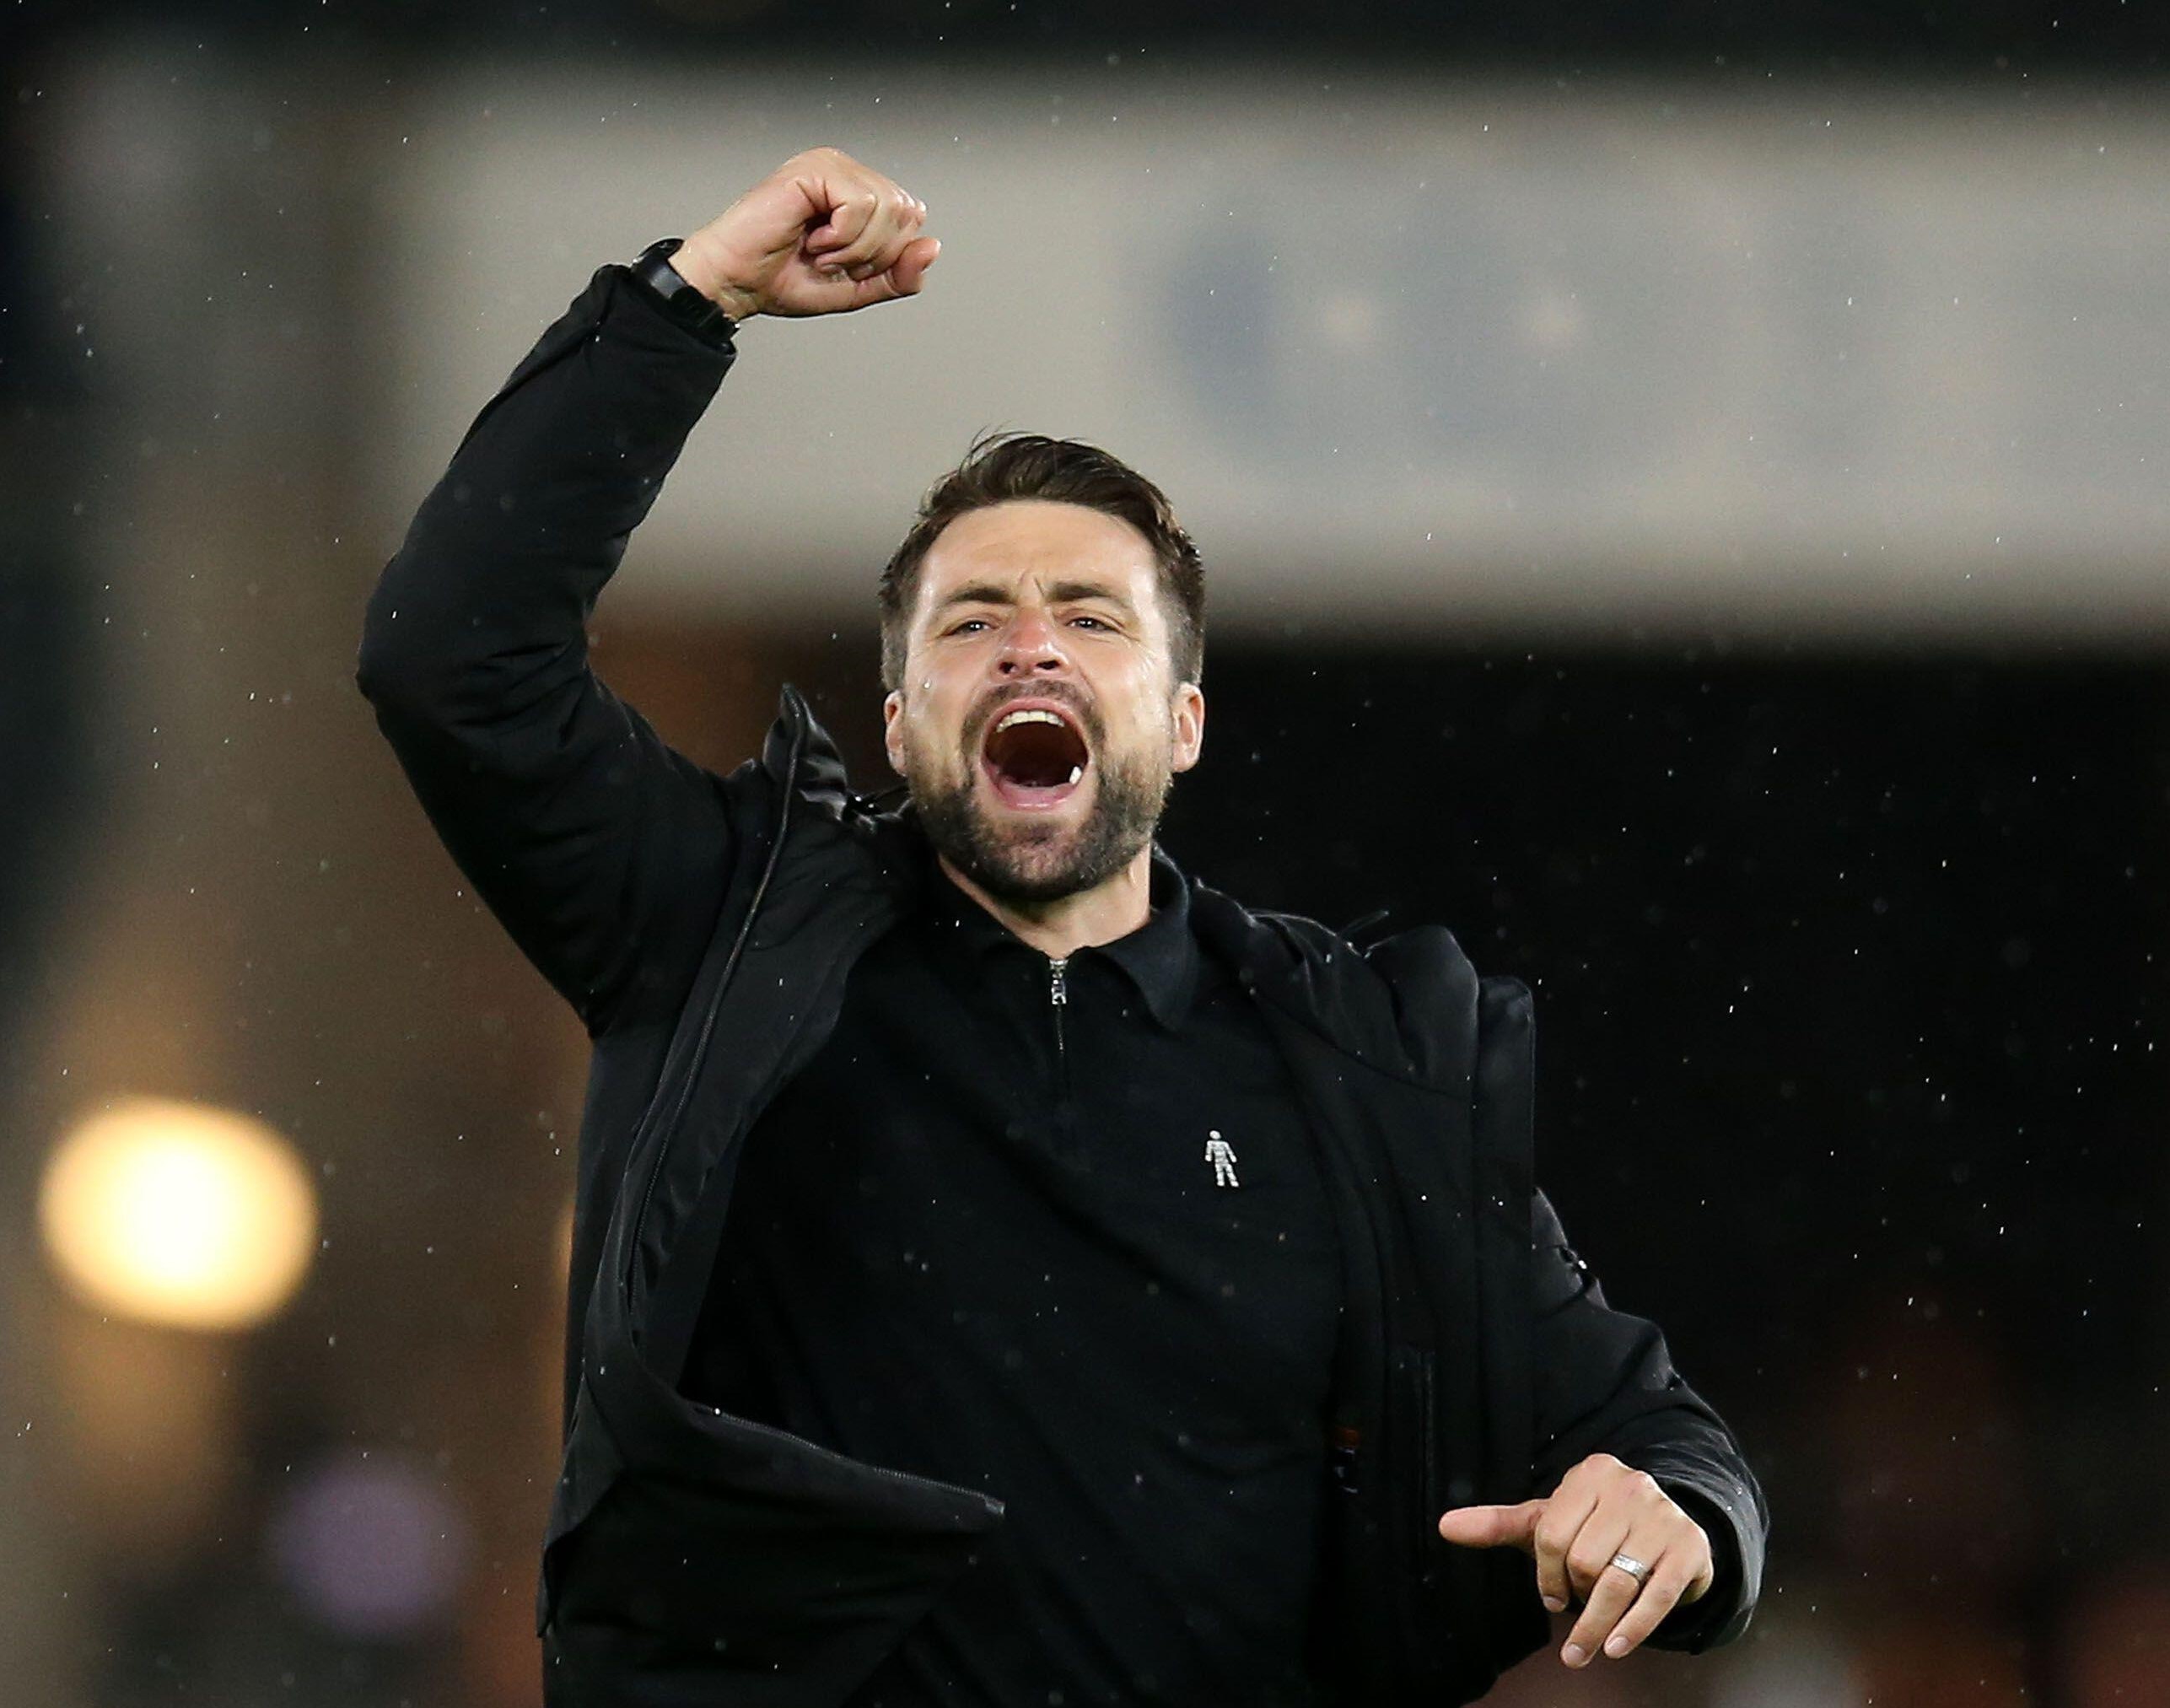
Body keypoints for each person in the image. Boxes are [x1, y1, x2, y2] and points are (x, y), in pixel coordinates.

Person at [355, 145, 1766, 1708]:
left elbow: (1656, 1433)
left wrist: (1676, 1510)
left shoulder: (1354, 1065)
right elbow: (452, 656)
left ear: (1183, 721)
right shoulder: (718, 933)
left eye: (1091, 616)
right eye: (972, 621)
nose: (1032, 645)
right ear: (897, 725)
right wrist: (691, 299)